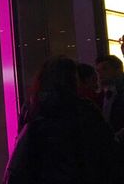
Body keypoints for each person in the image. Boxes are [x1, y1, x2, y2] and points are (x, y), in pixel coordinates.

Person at [6, 56, 121, 184]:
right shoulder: (84, 110)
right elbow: (107, 153)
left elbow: (20, 164)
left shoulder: (31, 109)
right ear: (72, 79)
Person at [96, 55, 124, 140]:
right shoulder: (101, 96)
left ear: (118, 70)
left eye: (104, 69)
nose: (100, 74)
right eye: (98, 71)